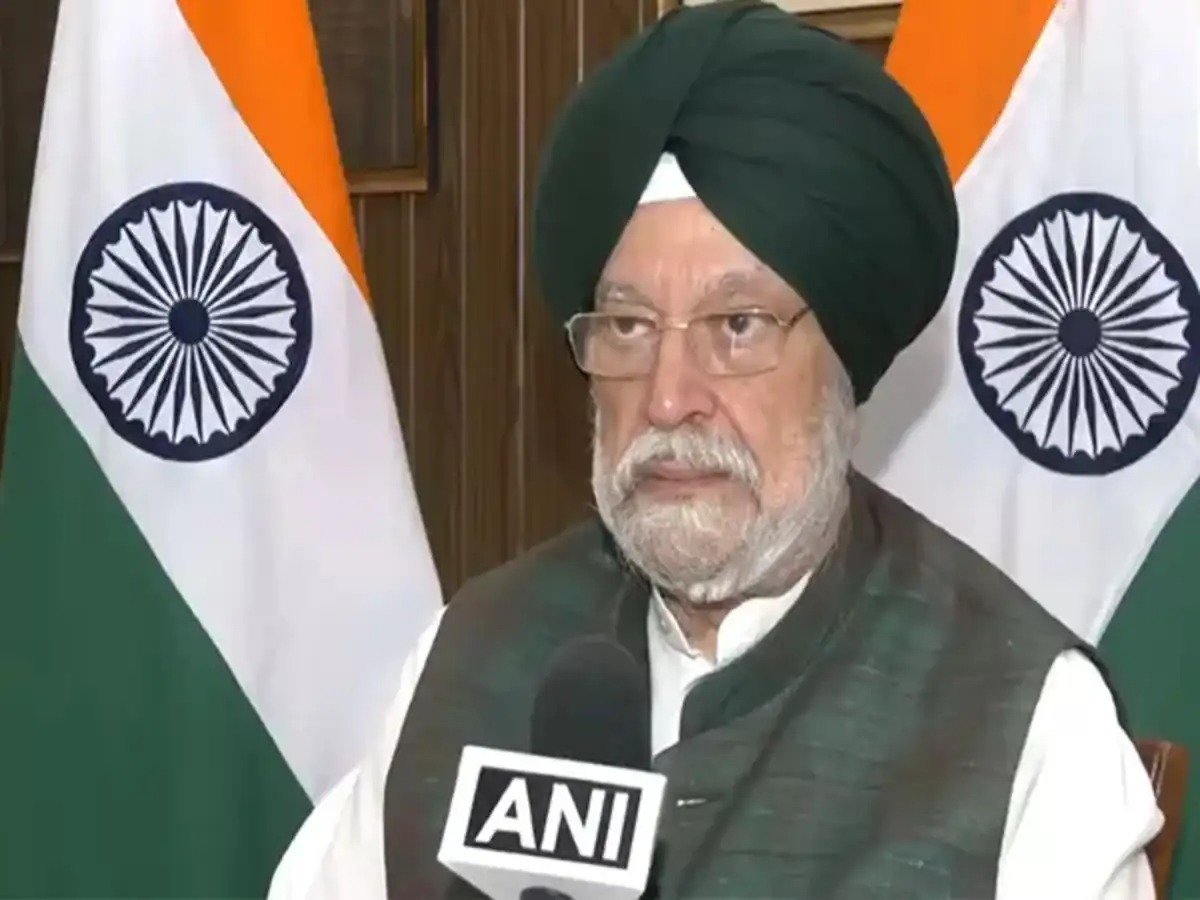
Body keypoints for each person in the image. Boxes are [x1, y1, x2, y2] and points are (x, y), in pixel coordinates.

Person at [269, 2, 1162, 897]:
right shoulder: (468, 655)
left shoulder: (1023, 725)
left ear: (842, 368)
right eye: (627, 326)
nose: (668, 398)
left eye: (737, 326)